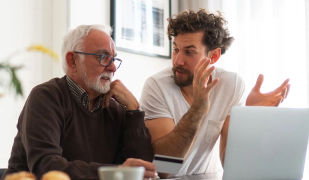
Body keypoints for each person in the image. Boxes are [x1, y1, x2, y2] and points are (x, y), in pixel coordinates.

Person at [139, 9, 290, 177]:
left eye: (189, 52)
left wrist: (251, 119)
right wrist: (197, 110)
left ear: (214, 56)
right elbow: (165, 170)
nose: (177, 61)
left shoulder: (231, 85)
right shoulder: (156, 86)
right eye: (176, 49)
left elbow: (229, 162)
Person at [1, 24, 156, 180]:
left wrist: (134, 110)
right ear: (72, 61)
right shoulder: (46, 97)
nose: (113, 67)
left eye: (114, 58)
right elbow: (47, 167)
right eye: (102, 57)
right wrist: (115, 173)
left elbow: (142, 171)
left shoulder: (116, 109)